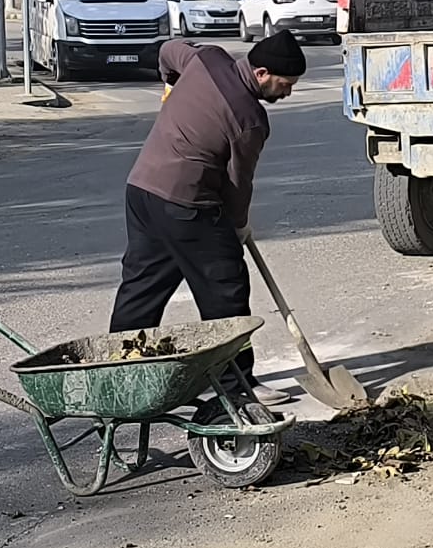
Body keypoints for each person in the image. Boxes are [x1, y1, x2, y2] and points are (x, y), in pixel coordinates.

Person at [109, 30, 307, 405]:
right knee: (226, 287)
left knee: (142, 286)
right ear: (262, 73)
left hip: (142, 191)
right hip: (186, 205)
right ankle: (236, 385)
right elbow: (237, 184)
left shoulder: (206, 59)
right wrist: (238, 226)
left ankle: (122, 376)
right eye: (285, 84)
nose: (288, 93)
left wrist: (169, 86)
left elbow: (167, 51)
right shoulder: (249, 119)